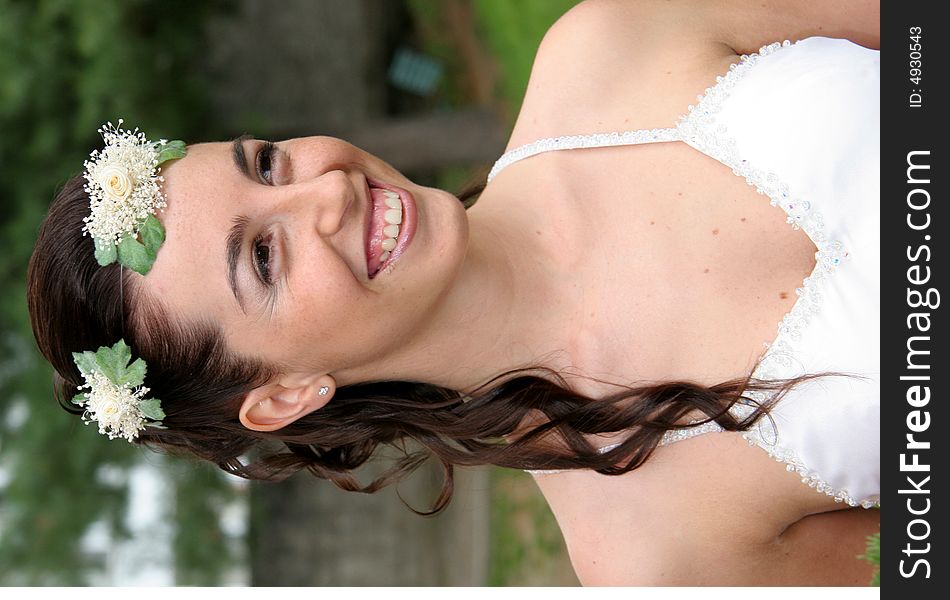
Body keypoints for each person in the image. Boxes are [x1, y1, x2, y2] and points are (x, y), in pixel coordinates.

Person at [27, 0, 880, 586]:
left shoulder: (603, 49)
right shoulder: (651, 553)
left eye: (265, 163)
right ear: (285, 394)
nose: (325, 192)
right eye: (262, 258)